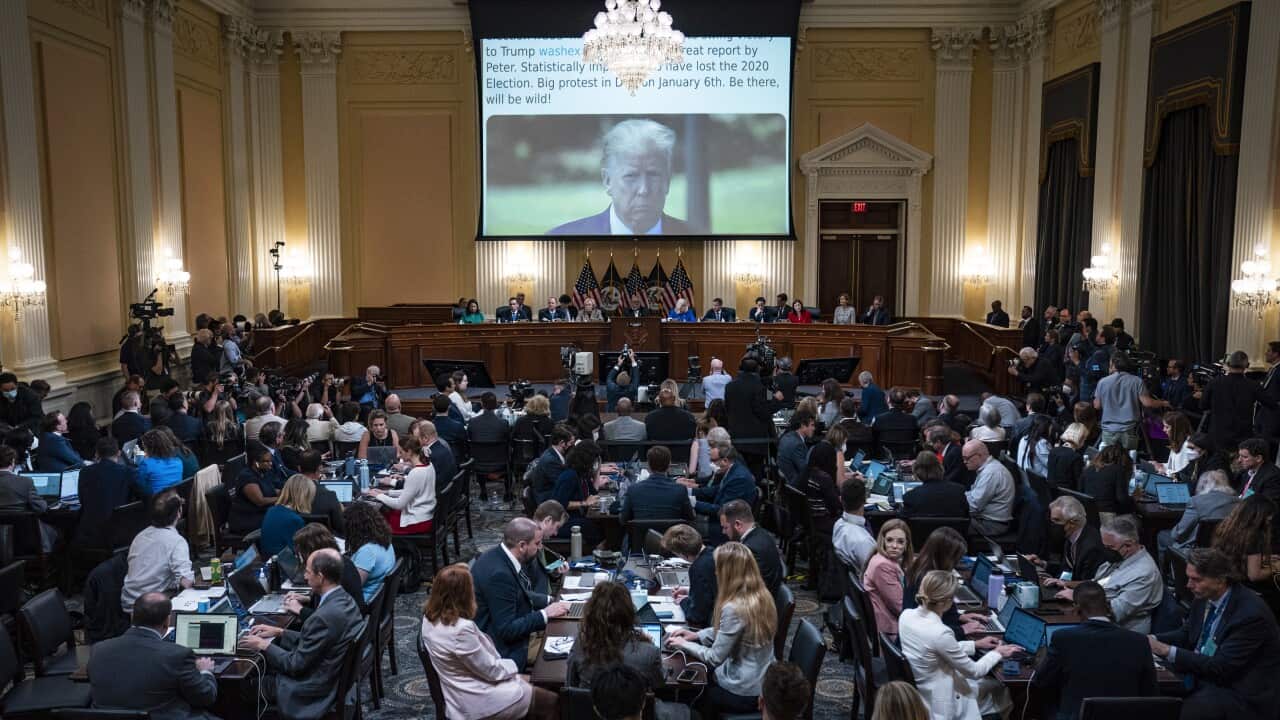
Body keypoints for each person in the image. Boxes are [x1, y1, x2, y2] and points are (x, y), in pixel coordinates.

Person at [1148, 547, 1280, 720]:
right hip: (1205, 674)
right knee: (1147, 687)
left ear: (1221, 579)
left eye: (1196, 579)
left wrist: (1165, 650)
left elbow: (1221, 667)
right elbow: (1188, 634)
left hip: (1238, 693)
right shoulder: (1205, 596)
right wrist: (1151, 639)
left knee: (1184, 712)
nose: (1188, 585)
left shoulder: (1250, 615)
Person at [239, 548, 363, 720]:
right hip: (330, 675)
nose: (305, 576)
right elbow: (319, 640)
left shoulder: (323, 617)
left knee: (242, 688)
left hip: (310, 690)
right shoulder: (345, 599)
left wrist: (264, 645)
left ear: (320, 577)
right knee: (267, 664)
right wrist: (281, 632)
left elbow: (294, 665)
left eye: (308, 572)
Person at [420, 564, 557, 720]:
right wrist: (513, 666)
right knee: (551, 701)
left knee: (539, 684)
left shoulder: (429, 619)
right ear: (464, 594)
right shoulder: (461, 630)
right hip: (478, 699)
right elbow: (491, 670)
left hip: (463, 688)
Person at [666, 542, 777, 716]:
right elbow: (732, 632)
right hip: (763, 680)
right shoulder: (762, 594)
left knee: (693, 693)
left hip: (743, 691)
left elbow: (714, 657)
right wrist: (696, 635)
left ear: (727, 573)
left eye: (718, 568)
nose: (715, 572)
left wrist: (683, 644)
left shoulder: (734, 607)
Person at [898, 570, 1018, 720]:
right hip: (943, 701)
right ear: (947, 602)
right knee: (1003, 691)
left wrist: (974, 644)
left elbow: (931, 648)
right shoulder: (941, 632)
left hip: (924, 690)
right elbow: (974, 671)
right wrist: (998, 653)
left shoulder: (906, 615)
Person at [1031, 581, 1158, 720]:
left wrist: (1040, 657)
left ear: (1076, 608)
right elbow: (1150, 693)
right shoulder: (1139, 642)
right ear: (1108, 607)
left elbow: (1041, 681)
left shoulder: (1063, 638)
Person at [548, 119, 697, 235]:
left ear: (667, 181)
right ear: (607, 181)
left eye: (653, 175)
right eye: (631, 176)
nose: (643, 189)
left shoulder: (699, 241)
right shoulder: (560, 242)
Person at [88, 592, 219, 719]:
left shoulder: (98, 649)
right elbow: (205, 697)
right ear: (167, 621)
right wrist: (205, 671)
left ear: (133, 616)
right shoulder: (178, 655)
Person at [567, 581, 684, 720]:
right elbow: (659, 684)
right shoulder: (648, 652)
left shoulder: (581, 645)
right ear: (629, 613)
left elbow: (570, 685)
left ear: (590, 612)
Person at [472, 518, 570, 670]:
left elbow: (517, 596)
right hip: (504, 649)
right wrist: (545, 614)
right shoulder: (500, 575)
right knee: (571, 649)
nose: (540, 548)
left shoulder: (498, 556)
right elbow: (507, 630)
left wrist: (551, 602)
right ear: (522, 545)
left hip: (513, 631)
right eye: (537, 544)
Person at [1048, 515, 1162, 633]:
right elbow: (1098, 583)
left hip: (1120, 632)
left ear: (1128, 545)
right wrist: (1068, 584)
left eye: (1110, 547)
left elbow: (1115, 611)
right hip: (1093, 619)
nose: (1105, 551)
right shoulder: (1119, 558)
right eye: (1104, 546)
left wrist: (1077, 596)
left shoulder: (1144, 574)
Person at [120, 491, 194, 612]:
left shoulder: (140, 536)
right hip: (153, 608)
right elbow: (187, 582)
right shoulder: (177, 542)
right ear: (179, 513)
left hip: (129, 603)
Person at [1210, 495, 1280, 617]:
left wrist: (1264, 559)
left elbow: (1239, 555)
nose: (1270, 520)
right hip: (1251, 592)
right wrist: (1276, 567)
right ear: (1259, 516)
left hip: (1229, 584)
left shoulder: (1227, 527)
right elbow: (1255, 575)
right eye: (1269, 516)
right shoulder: (1255, 536)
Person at [902, 527, 975, 640]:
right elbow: (927, 630)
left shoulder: (917, 568)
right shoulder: (928, 582)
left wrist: (959, 617)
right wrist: (962, 630)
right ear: (945, 557)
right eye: (955, 559)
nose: (956, 564)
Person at [1203, 350, 1276, 451]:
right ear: (1247, 365)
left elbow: (1203, 405)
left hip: (1217, 433)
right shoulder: (1253, 385)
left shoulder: (1214, 382)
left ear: (1228, 364)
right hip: (1242, 437)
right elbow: (1271, 404)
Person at [685, 443, 759, 542]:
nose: (711, 463)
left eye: (714, 460)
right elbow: (715, 490)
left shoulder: (739, 478)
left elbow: (722, 510)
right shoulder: (733, 470)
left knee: (683, 529)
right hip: (721, 520)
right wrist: (687, 490)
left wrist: (693, 503)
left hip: (725, 526)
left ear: (725, 460)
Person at [1093, 352, 1167, 450]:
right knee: (1128, 460)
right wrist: (1163, 403)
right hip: (1129, 430)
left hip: (1108, 431)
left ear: (1113, 365)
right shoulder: (1137, 381)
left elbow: (1097, 406)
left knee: (1108, 459)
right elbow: (1148, 403)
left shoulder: (1102, 382)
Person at [73, 437, 138, 547]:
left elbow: (82, 499)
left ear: (97, 453)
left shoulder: (85, 472)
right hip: (119, 532)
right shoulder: (127, 472)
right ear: (118, 453)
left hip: (90, 531)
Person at [367, 434, 436, 535]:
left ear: (409, 452)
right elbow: (410, 492)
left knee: (374, 523)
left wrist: (378, 495)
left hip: (416, 521)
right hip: (423, 515)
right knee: (381, 515)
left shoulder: (416, 472)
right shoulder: (429, 465)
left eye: (401, 452)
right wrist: (387, 492)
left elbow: (399, 504)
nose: (399, 455)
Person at [1159, 470, 1239, 556]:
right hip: (1227, 551)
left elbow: (1178, 534)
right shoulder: (1238, 502)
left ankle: (1168, 569)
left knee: (1162, 536)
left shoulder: (1196, 501)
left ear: (1203, 484)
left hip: (1195, 552)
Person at [1028, 496, 1104, 583]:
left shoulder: (1091, 547)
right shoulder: (1070, 537)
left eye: (1057, 520)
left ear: (1073, 523)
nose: (1052, 525)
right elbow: (1067, 570)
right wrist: (1043, 564)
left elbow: (1089, 583)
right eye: (1052, 520)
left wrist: (1064, 583)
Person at [717, 500, 783, 595]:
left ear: (738, 524)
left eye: (725, 527)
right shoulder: (761, 532)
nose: (723, 532)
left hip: (757, 605)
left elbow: (744, 590)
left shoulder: (751, 549)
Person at [724, 356, 776, 473]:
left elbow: (727, 409)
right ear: (758, 369)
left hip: (735, 439)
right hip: (755, 442)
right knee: (754, 475)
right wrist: (775, 400)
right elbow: (764, 412)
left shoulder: (729, 386)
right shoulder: (761, 388)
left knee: (736, 472)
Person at [864, 519, 913, 638]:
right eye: (890, 540)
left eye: (900, 542)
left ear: (907, 545)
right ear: (882, 541)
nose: (895, 546)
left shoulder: (882, 558)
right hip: (890, 630)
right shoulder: (883, 566)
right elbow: (901, 608)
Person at [551, 441, 607, 544]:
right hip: (563, 522)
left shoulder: (582, 473)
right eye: (594, 460)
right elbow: (560, 504)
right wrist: (584, 503)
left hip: (576, 517)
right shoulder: (569, 476)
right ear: (587, 459)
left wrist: (597, 471)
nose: (595, 463)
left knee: (603, 525)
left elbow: (594, 493)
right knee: (595, 528)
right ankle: (597, 551)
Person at [620, 446, 694, 524]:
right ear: (669, 465)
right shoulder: (680, 490)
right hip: (671, 535)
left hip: (641, 535)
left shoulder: (633, 489)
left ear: (648, 465)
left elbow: (623, 520)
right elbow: (690, 517)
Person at [663, 523, 717, 627]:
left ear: (682, 554)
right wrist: (689, 591)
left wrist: (683, 601)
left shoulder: (698, 568)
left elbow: (696, 615)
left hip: (711, 625)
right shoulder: (713, 552)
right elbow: (711, 590)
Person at [343, 501, 396, 604]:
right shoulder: (384, 539)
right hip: (377, 599)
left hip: (362, 603)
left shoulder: (367, 552)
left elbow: (352, 588)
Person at [961, 440, 1014, 536]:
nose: (964, 462)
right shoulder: (988, 468)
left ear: (980, 455)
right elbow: (973, 496)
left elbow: (974, 507)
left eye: (967, 458)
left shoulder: (991, 473)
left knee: (950, 525)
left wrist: (954, 504)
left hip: (991, 525)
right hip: (987, 521)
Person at [229, 443, 281, 534]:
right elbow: (260, 501)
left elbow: (270, 490)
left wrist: (286, 492)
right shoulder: (247, 477)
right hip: (246, 520)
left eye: (270, 461)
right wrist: (281, 498)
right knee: (281, 521)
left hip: (260, 514)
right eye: (267, 461)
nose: (270, 464)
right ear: (255, 462)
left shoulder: (263, 473)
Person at [902, 450, 969, 518]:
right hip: (954, 528)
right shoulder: (959, 491)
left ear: (916, 471)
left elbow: (905, 521)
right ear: (940, 467)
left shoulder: (910, 497)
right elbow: (966, 517)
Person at [259, 474, 313, 557]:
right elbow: (300, 553)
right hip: (285, 563)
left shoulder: (272, 510)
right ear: (305, 496)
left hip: (268, 558)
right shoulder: (294, 520)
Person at [831, 473, 875, 574]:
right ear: (865, 500)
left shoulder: (838, 524)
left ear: (840, 499)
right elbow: (875, 573)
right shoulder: (863, 541)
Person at [1079, 444, 1134, 517]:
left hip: (1086, 513)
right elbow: (1122, 499)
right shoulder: (1118, 470)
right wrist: (1133, 498)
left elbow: (1080, 491)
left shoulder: (1089, 468)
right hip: (1107, 516)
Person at [296, 450, 344, 534]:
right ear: (320, 468)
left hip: (299, 540)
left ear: (299, 468)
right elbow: (340, 527)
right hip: (326, 541)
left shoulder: (289, 492)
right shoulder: (330, 495)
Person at [529, 424, 574, 504]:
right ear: (562, 443)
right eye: (571, 443)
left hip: (551, 493)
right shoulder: (551, 461)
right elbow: (564, 484)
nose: (572, 446)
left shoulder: (554, 453)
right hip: (547, 500)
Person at [135, 428, 185, 495]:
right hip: (175, 500)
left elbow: (140, 487)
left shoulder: (146, 464)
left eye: (144, 447)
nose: (144, 450)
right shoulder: (178, 462)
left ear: (149, 448)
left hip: (156, 503)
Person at [775, 410, 814, 486]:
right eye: (812, 425)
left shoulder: (786, 437)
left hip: (786, 483)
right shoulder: (798, 444)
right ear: (803, 426)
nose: (814, 428)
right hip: (796, 486)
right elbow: (805, 471)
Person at [1236, 437, 1280, 501]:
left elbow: (1265, 505)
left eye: (1245, 457)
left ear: (1258, 458)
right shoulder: (1244, 471)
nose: (1239, 460)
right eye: (1239, 456)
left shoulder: (1273, 477)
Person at [1046, 422, 1087, 490]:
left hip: (1051, 491)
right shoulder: (1075, 457)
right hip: (1067, 495)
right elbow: (1079, 483)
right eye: (1085, 439)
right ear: (1081, 439)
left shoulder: (1053, 451)